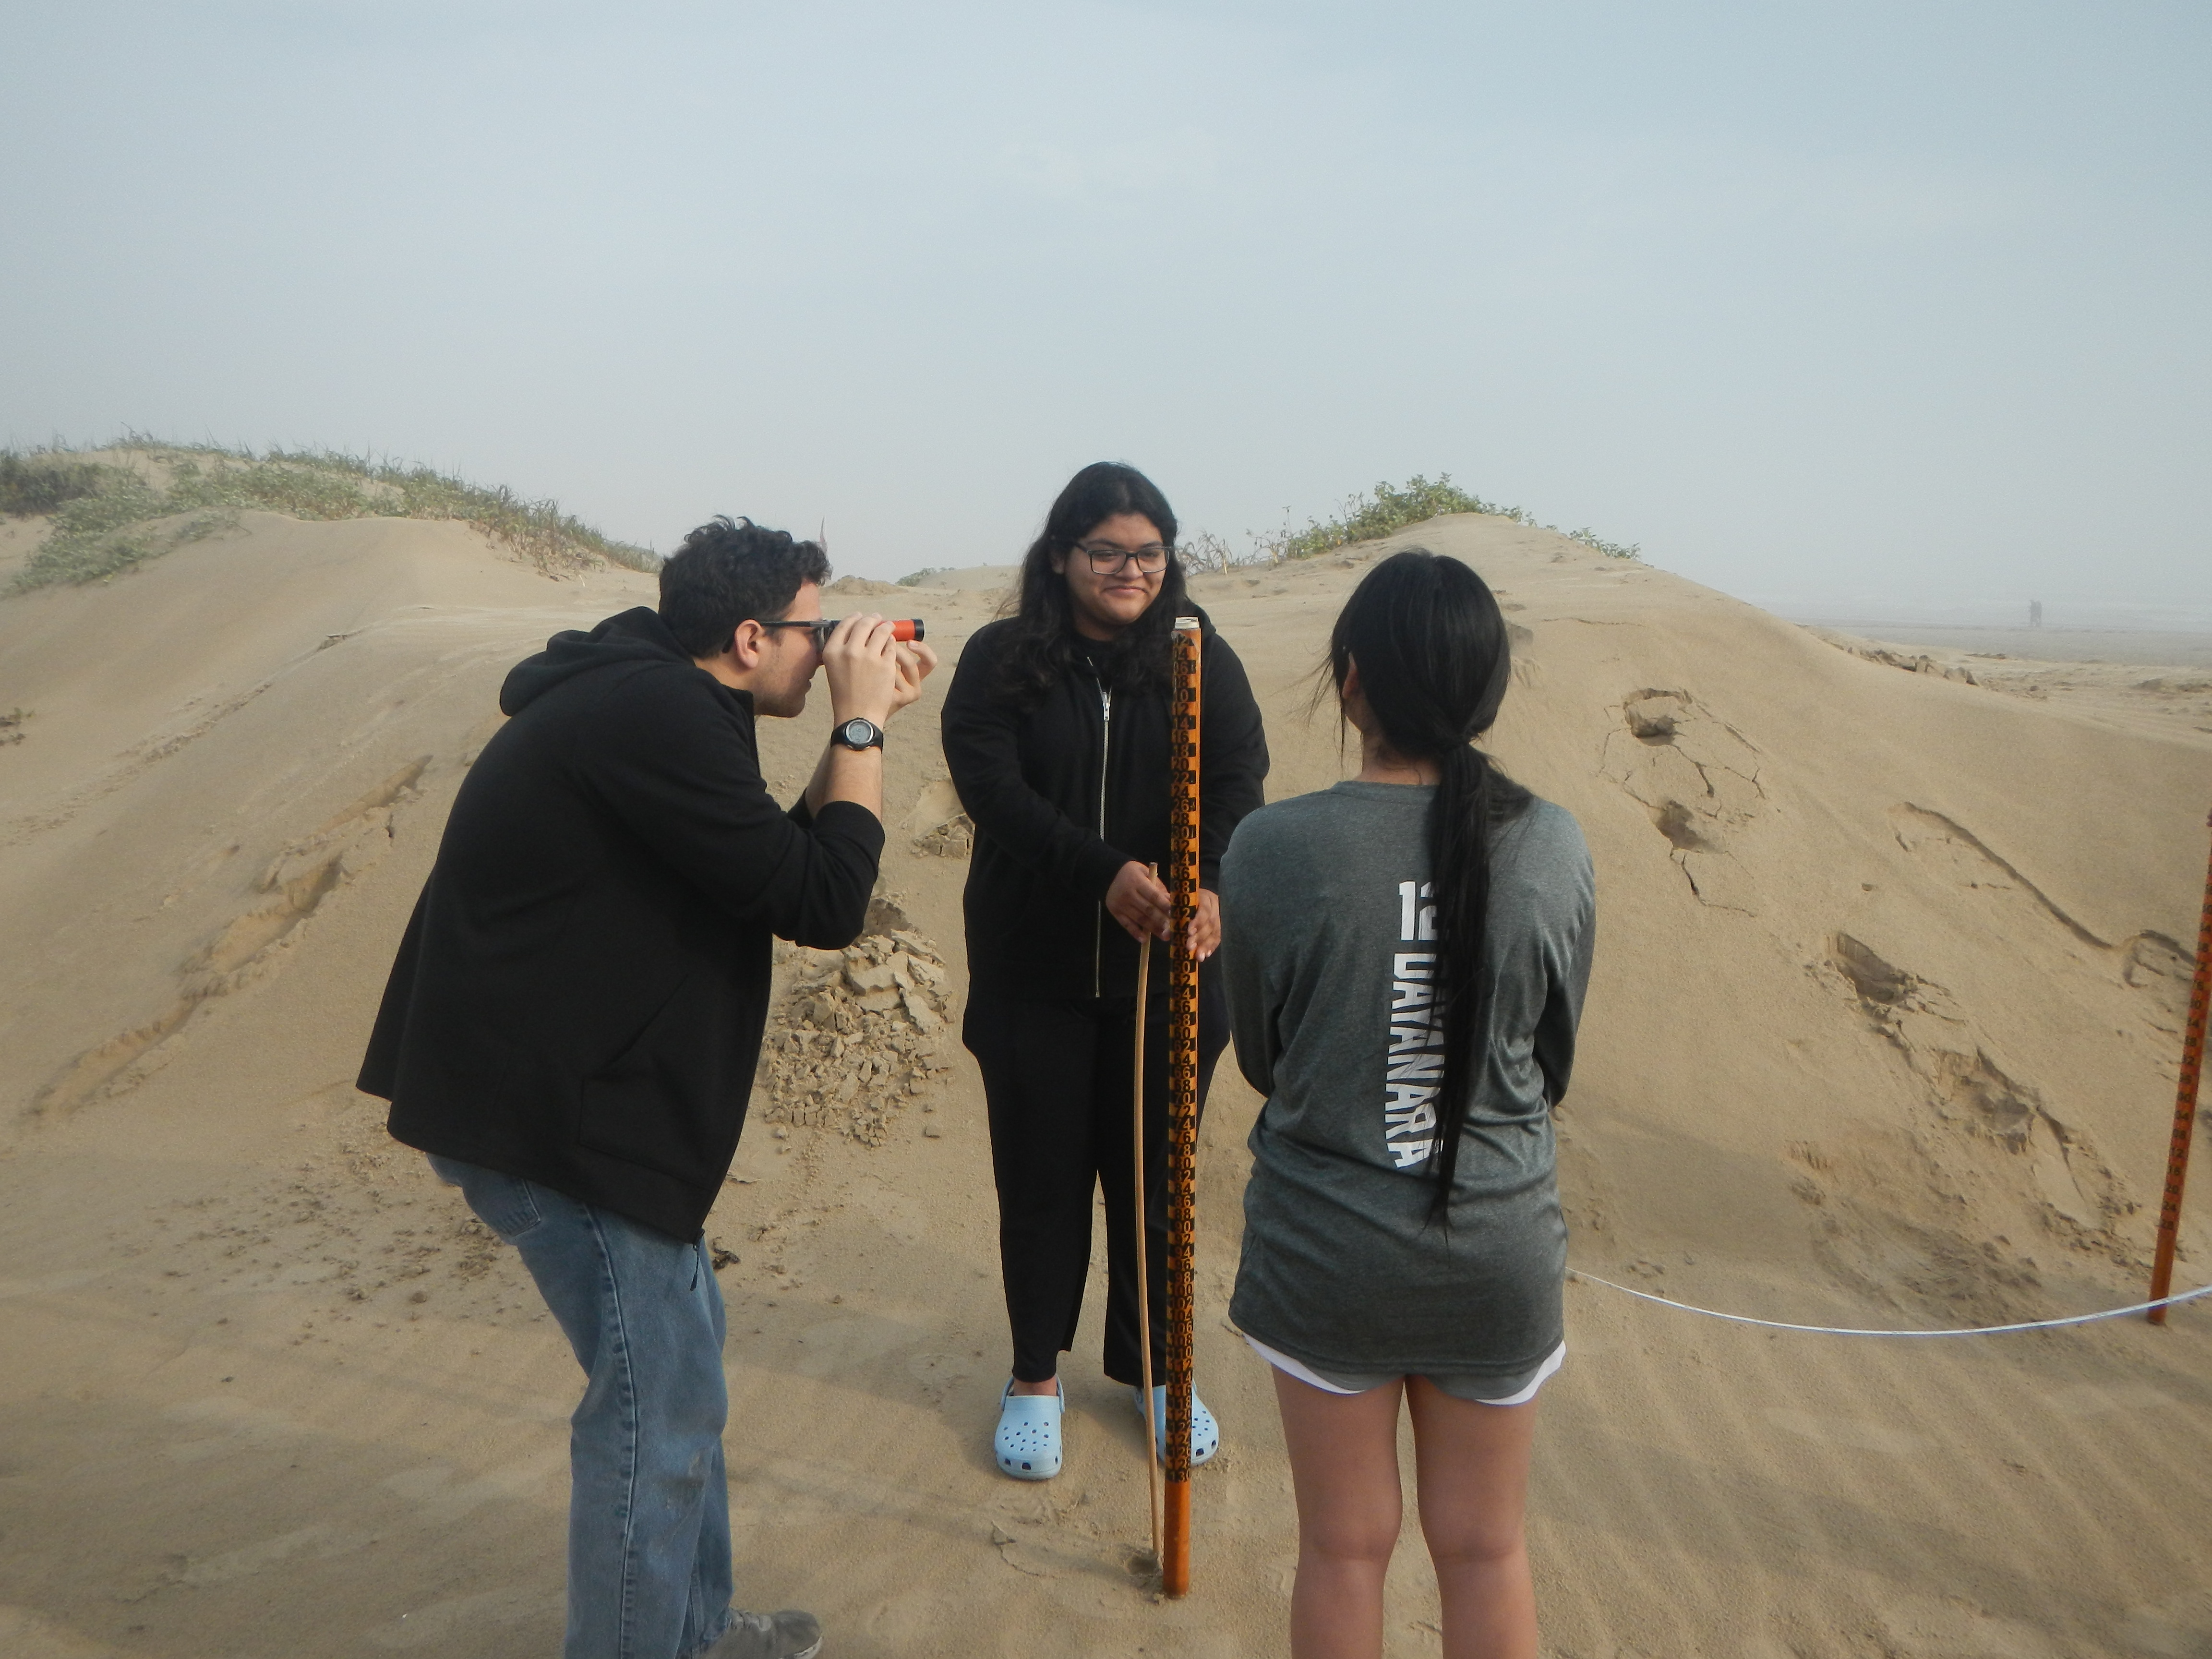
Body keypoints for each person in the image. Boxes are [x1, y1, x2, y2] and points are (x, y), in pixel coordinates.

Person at [357, 516, 936, 1659]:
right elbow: (824, 906)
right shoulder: (657, 713)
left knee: (682, 1388)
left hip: (578, 1107)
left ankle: (699, 1631)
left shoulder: (651, 701)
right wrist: (861, 723)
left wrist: (863, 727)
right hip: (561, 1128)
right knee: (652, 1419)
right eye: (815, 635)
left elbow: (775, 862)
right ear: (745, 635)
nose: (825, 655)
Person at [1218, 548, 1594, 1659]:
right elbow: (1550, 1061)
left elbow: (1264, 1055)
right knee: (1486, 1550)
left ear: (1351, 682)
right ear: (1488, 696)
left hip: (1329, 1252)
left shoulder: (1271, 845)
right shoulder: (1556, 841)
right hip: (1496, 1243)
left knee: (1343, 1548)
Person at [941, 461, 1269, 1480]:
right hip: (1034, 970)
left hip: (1166, 976)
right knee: (1039, 1183)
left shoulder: (1197, 654)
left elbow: (1238, 778)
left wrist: (1207, 880)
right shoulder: (1002, 658)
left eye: (1147, 552)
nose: (1129, 570)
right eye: (1105, 552)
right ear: (1061, 557)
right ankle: (1035, 1375)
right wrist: (1100, 876)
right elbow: (988, 785)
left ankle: (1157, 1370)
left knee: (1156, 1182)